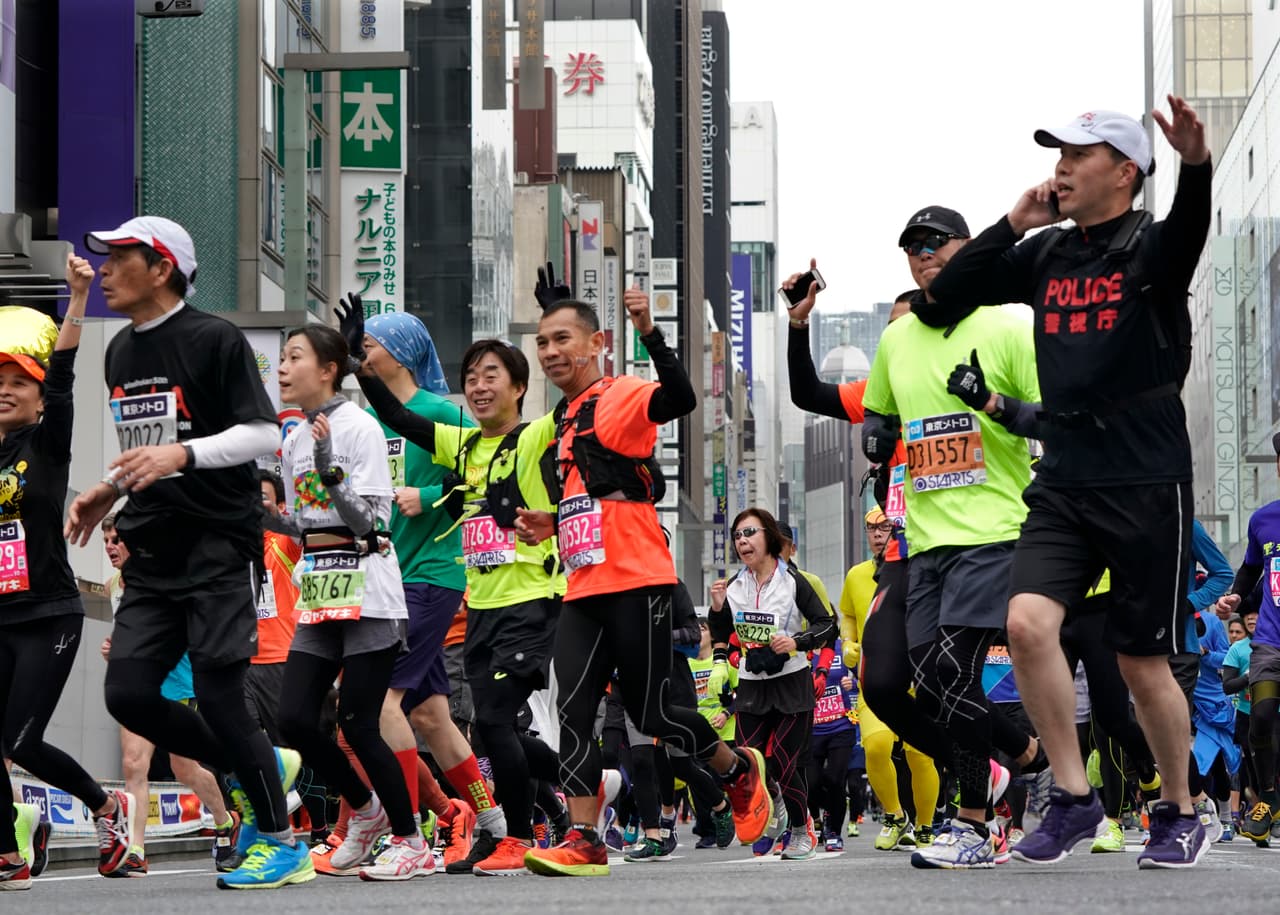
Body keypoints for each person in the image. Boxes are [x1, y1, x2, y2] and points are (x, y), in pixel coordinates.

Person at [925, 100, 1213, 869]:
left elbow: (1189, 229)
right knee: (1024, 623)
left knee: (1140, 662)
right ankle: (1073, 797)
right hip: (1065, 473)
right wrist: (1011, 223)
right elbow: (945, 298)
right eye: (1057, 152)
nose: (1060, 164)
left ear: (1124, 172)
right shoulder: (1046, 253)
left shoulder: (1150, 248)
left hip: (1147, 476)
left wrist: (1194, 165)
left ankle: (1181, 807)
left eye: (1078, 154)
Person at [65, 216, 306, 889]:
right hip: (153, 550)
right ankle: (259, 763)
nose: (106, 269)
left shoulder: (214, 338)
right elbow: (149, 447)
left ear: (162, 266)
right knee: (130, 693)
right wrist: (107, 490)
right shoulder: (121, 354)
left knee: (221, 696)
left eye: (119, 257)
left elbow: (263, 432)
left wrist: (186, 452)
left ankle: (284, 841)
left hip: (217, 546)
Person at [516, 289, 771, 876]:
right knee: (574, 709)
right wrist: (550, 521)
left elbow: (679, 397)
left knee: (654, 714)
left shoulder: (619, 395)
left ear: (597, 344)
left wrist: (650, 331)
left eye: (563, 339)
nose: (551, 351)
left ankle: (736, 771)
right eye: (543, 342)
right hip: (582, 587)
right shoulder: (559, 420)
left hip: (639, 581)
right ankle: (584, 838)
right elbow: (595, 499)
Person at [344, 313, 571, 875]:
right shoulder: (464, 445)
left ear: (519, 387)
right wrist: (356, 360)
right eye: (471, 377)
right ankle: (530, 812)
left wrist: (560, 323)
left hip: (532, 598)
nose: (479, 386)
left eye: (492, 375)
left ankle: (510, 832)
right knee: (467, 722)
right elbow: (398, 415)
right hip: (482, 603)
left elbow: (574, 398)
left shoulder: (537, 434)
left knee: (492, 720)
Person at [861, 207, 1043, 869]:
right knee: (928, 681)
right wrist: (875, 430)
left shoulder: (1008, 323)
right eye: (911, 245)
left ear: (967, 249)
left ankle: (971, 821)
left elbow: (1052, 415)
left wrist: (994, 404)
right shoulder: (898, 339)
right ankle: (1024, 756)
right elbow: (880, 405)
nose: (922, 254)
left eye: (935, 243)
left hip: (994, 530)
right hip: (926, 541)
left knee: (948, 669)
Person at [267, 324, 432, 881]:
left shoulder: (359, 427)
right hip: (319, 588)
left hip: (369, 588)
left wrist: (329, 467)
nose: (283, 367)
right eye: (282, 358)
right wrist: (258, 514)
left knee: (360, 722)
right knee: (295, 717)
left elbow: (371, 522)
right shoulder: (292, 438)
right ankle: (364, 812)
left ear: (329, 368)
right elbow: (300, 525)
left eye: (294, 357)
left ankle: (411, 840)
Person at [0, 259, 133, 891]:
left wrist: (78, 297)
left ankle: (109, 811)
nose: (5, 389)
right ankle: (9, 853)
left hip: (47, 614)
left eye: (15, 381)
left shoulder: (45, 445)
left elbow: (62, 380)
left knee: (23, 741)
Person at [98, 515, 240, 876]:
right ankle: (136, 850)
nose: (111, 547)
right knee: (134, 764)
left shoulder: (166, 576)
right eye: (106, 541)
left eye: (116, 539)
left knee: (184, 768)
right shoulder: (112, 585)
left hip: (176, 683)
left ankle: (225, 822)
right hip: (136, 683)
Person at [710, 507, 837, 861]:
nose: (742, 541)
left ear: (768, 537)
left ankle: (802, 828)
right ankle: (778, 808)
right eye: (737, 536)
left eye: (749, 533)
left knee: (783, 764)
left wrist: (798, 642)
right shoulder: (734, 587)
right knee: (750, 765)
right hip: (751, 687)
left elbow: (828, 625)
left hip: (791, 684)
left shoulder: (793, 582)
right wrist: (718, 610)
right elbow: (722, 633)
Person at [838, 509, 940, 851]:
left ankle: (925, 826)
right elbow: (849, 616)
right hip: (873, 674)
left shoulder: (921, 568)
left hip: (917, 673)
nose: (878, 534)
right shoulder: (856, 576)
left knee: (920, 754)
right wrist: (848, 643)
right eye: (872, 528)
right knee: (877, 745)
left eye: (886, 527)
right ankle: (895, 817)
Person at [1215, 433, 1280, 846]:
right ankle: (1269, 800)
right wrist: (1235, 597)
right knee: (1261, 718)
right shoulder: (1264, 520)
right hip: (1271, 643)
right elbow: (1250, 571)